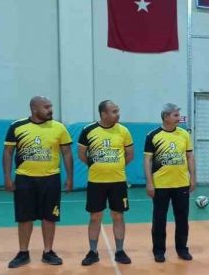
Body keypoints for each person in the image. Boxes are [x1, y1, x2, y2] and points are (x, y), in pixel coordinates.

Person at [3, 96, 73, 268]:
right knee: (24, 217)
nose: (50, 110)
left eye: (51, 106)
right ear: (34, 109)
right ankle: (23, 253)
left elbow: (66, 153)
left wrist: (70, 178)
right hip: (24, 179)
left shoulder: (59, 128)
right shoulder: (17, 127)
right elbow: (8, 152)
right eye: (46, 107)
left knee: (50, 217)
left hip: (51, 179)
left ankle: (48, 251)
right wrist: (7, 177)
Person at [77, 100, 134, 266]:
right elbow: (81, 154)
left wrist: (116, 167)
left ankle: (120, 251)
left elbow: (130, 154)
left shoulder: (123, 131)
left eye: (118, 111)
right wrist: (96, 166)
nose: (118, 114)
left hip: (118, 182)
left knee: (118, 216)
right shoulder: (88, 130)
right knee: (95, 217)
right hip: (96, 182)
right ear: (103, 114)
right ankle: (93, 252)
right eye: (114, 111)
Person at [144, 104, 196, 262]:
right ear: (166, 116)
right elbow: (147, 160)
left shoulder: (184, 134)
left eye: (179, 115)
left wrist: (193, 177)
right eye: (175, 115)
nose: (179, 118)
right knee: (159, 219)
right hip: (161, 185)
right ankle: (159, 251)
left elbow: (190, 157)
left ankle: (182, 249)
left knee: (182, 219)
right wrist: (149, 183)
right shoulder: (153, 135)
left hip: (181, 184)